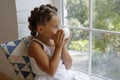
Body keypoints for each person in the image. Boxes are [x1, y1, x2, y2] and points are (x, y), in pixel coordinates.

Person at [27, 4, 90, 80]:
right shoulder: (35, 45)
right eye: (55, 27)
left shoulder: (54, 42)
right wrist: (58, 47)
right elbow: (51, 71)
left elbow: (68, 65)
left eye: (59, 26)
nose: (59, 29)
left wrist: (63, 46)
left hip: (64, 75)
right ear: (40, 29)